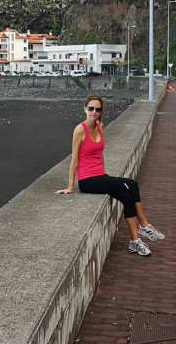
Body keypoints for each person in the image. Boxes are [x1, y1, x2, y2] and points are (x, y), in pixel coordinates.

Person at [55, 94, 165, 256]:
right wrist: (71, 186)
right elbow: (75, 159)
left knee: (127, 197)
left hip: (100, 176)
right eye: (91, 108)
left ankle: (135, 242)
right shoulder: (80, 130)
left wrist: (105, 174)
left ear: (100, 112)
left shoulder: (99, 126)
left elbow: (100, 153)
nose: (94, 112)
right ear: (85, 109)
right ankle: (144, 225)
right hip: (87, 180)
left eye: (97, 109)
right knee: (132, 184)